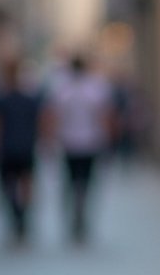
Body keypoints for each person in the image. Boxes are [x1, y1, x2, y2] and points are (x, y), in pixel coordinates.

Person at [47, 53, 114, 241]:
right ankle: (81, 213)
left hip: (69, 144)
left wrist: (51, 140)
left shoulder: (62, 89)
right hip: (90, 144)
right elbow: (104, 117)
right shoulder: (95, 88)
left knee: (71, 182)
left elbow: (54, 117)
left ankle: (76, 215)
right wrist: (108, 140)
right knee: (86, 183)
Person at [0, 58, 45, 242]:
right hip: (24, 148)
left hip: (8, 149)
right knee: (24, 184)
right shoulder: (28, 100)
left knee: (9, 185)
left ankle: (17, 214)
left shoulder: (1, 100)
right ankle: (22, 214)